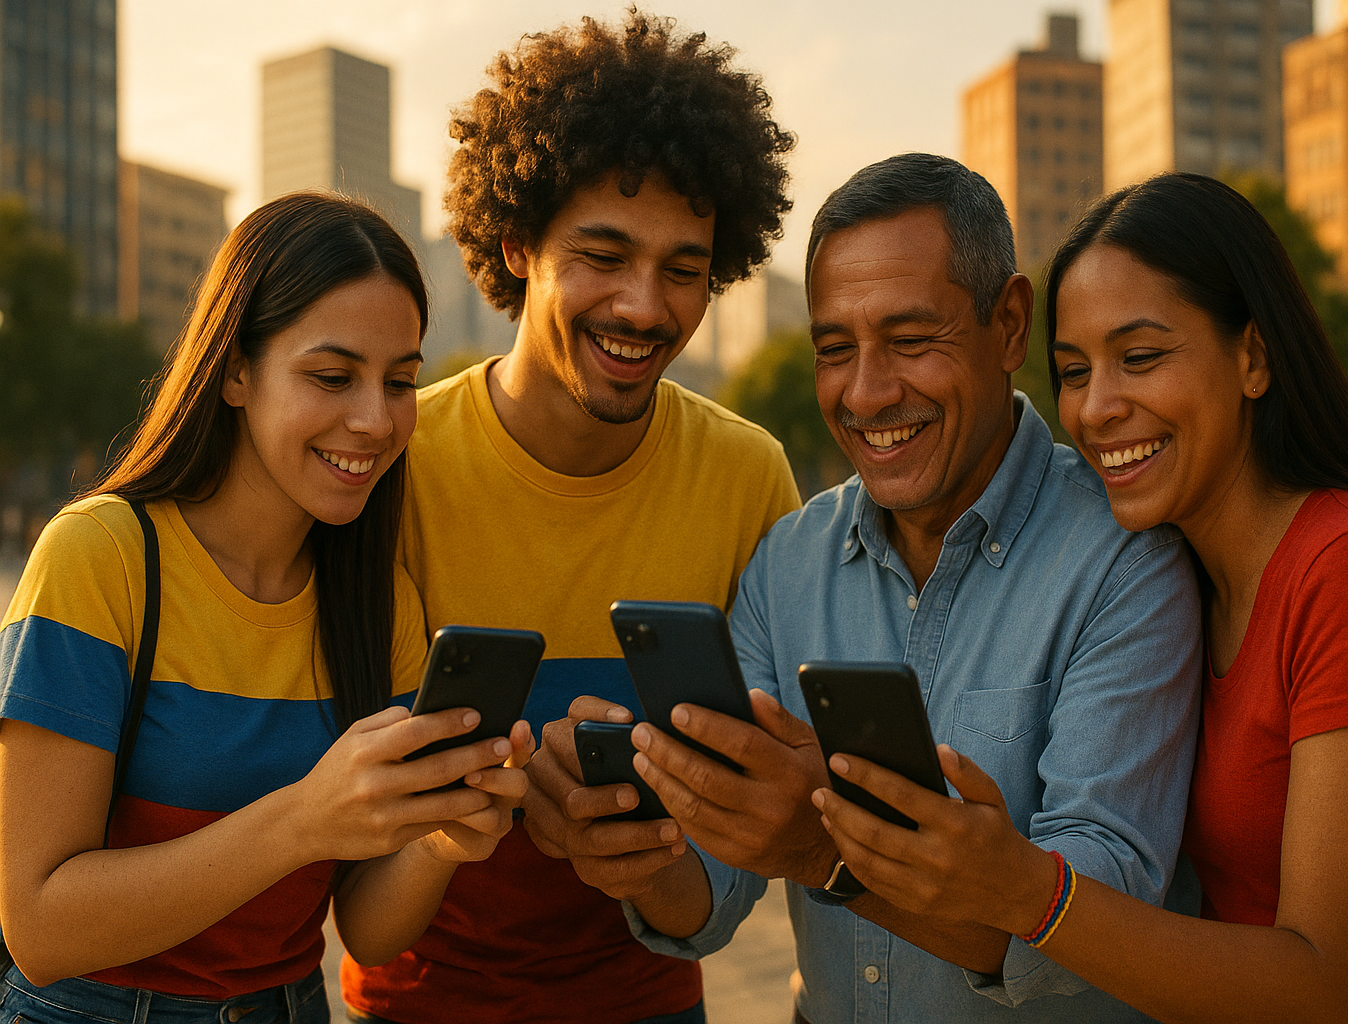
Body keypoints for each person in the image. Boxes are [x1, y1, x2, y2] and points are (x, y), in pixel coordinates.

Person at [814, 172, 1348, 1024]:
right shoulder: (1182, 572)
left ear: (1253, 357)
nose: (1098, 408)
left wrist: (1024, 889)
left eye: (1141, 358)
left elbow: (1321, 984)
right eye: (1074, 372)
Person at [538, 152, 1204, 1023]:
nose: (867, 393)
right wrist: (633, 845)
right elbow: (711, 890)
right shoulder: (787, 563)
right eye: (834, 350)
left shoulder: (1128, 560)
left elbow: (1102, 914)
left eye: (911, 340)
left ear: (1008, 326)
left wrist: (825, 851)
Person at [337, 11, 800, 1024]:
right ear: (516, 245)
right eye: (603, 255)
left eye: (685, 268)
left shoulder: (749, 475)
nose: (645, 305)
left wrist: (643, 852)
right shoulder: (393, 467)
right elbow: (355, 852)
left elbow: (760, 824)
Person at [0, 192, 535, 1023]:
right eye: (332, 376)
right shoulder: (100, 558)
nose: (374, 419)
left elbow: (365, 928)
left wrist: (442, 838)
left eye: (400, 383)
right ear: (235, 371)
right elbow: (38, 927)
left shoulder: (373, 599)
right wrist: (304, 820)